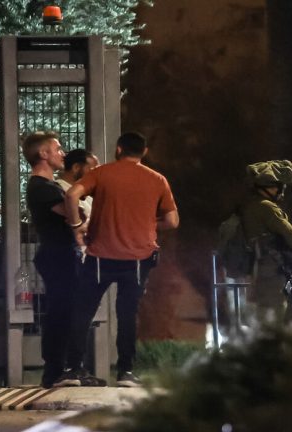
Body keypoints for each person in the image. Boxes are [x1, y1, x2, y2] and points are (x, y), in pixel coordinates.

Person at [63, 132, 179, 387]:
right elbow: (172, 221)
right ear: (144, 152)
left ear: (118, 149)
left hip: (99, 256)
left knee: (83, 310)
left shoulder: (101, 173)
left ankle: (72, 369)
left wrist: (76, 226)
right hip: (138, 258)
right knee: (127, 314)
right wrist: (147, 223)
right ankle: (125, 371)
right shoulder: (157, 179)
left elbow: (71, 195)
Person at [22, 131, 97, 388]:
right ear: (43, 154)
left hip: (62, 253)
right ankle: (57, 369)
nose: (62, 153)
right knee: (61, 311)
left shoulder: (50, 186)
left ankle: (69, 368)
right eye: (57, 149)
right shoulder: (40, 187)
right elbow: (73, 214)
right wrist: (79, 212)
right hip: (57, 254)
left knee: (69, 310)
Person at [240, 160, 292, 319]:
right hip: (271, 271)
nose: (281, 191)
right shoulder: (266, 207)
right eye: (279, 187)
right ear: (270, 187)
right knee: (275, 316)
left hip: (261, 269)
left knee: (267, 315)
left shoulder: (252, 206)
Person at [56, 149, 99, 253]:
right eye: (92, 170)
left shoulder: (87, 191)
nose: (96, 175)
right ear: (76, 167)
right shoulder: (59, 189)